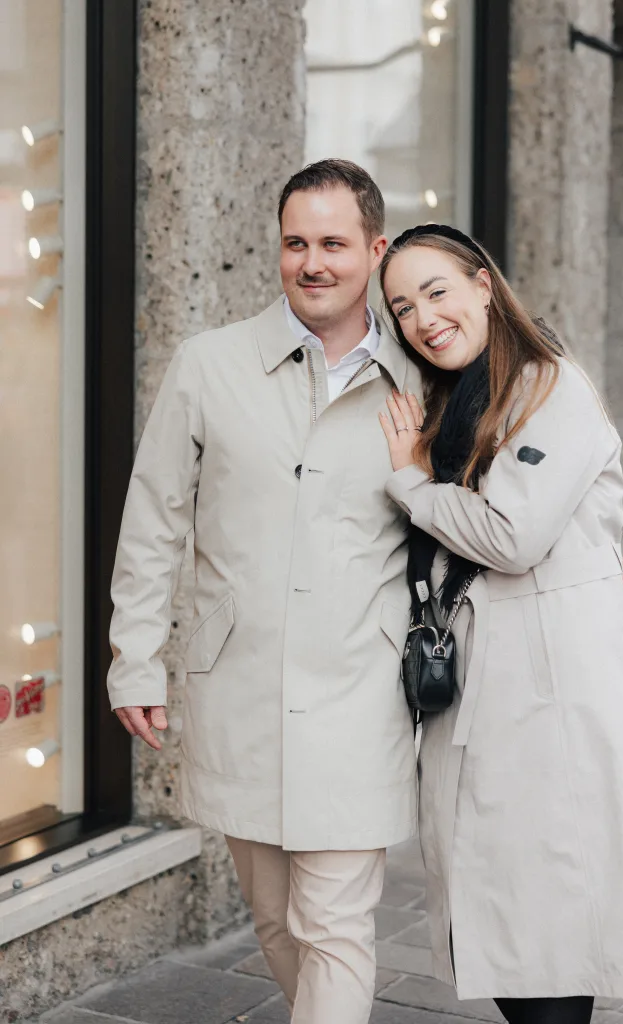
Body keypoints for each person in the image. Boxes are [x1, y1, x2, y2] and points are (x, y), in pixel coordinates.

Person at [106, 160, 423, 1024]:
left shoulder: (418, 380)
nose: (311, 262)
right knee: (278, 921)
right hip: (240, 690)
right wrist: (133, 659)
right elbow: (153, 521)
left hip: (362, 693)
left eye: (332, 243)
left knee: (334, 927)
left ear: (374, 250)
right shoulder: (208, 364)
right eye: (294, 243)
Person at [378, 224, 623, 1024]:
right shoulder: (466, 395)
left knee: (547, 927)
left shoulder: (547, 385)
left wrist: (408, 479)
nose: (422, 318)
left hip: (548, 703)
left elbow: (511, 535)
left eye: (435, 291)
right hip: (492, 693)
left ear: (482, 283)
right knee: (505, 920)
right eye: (401, 307)